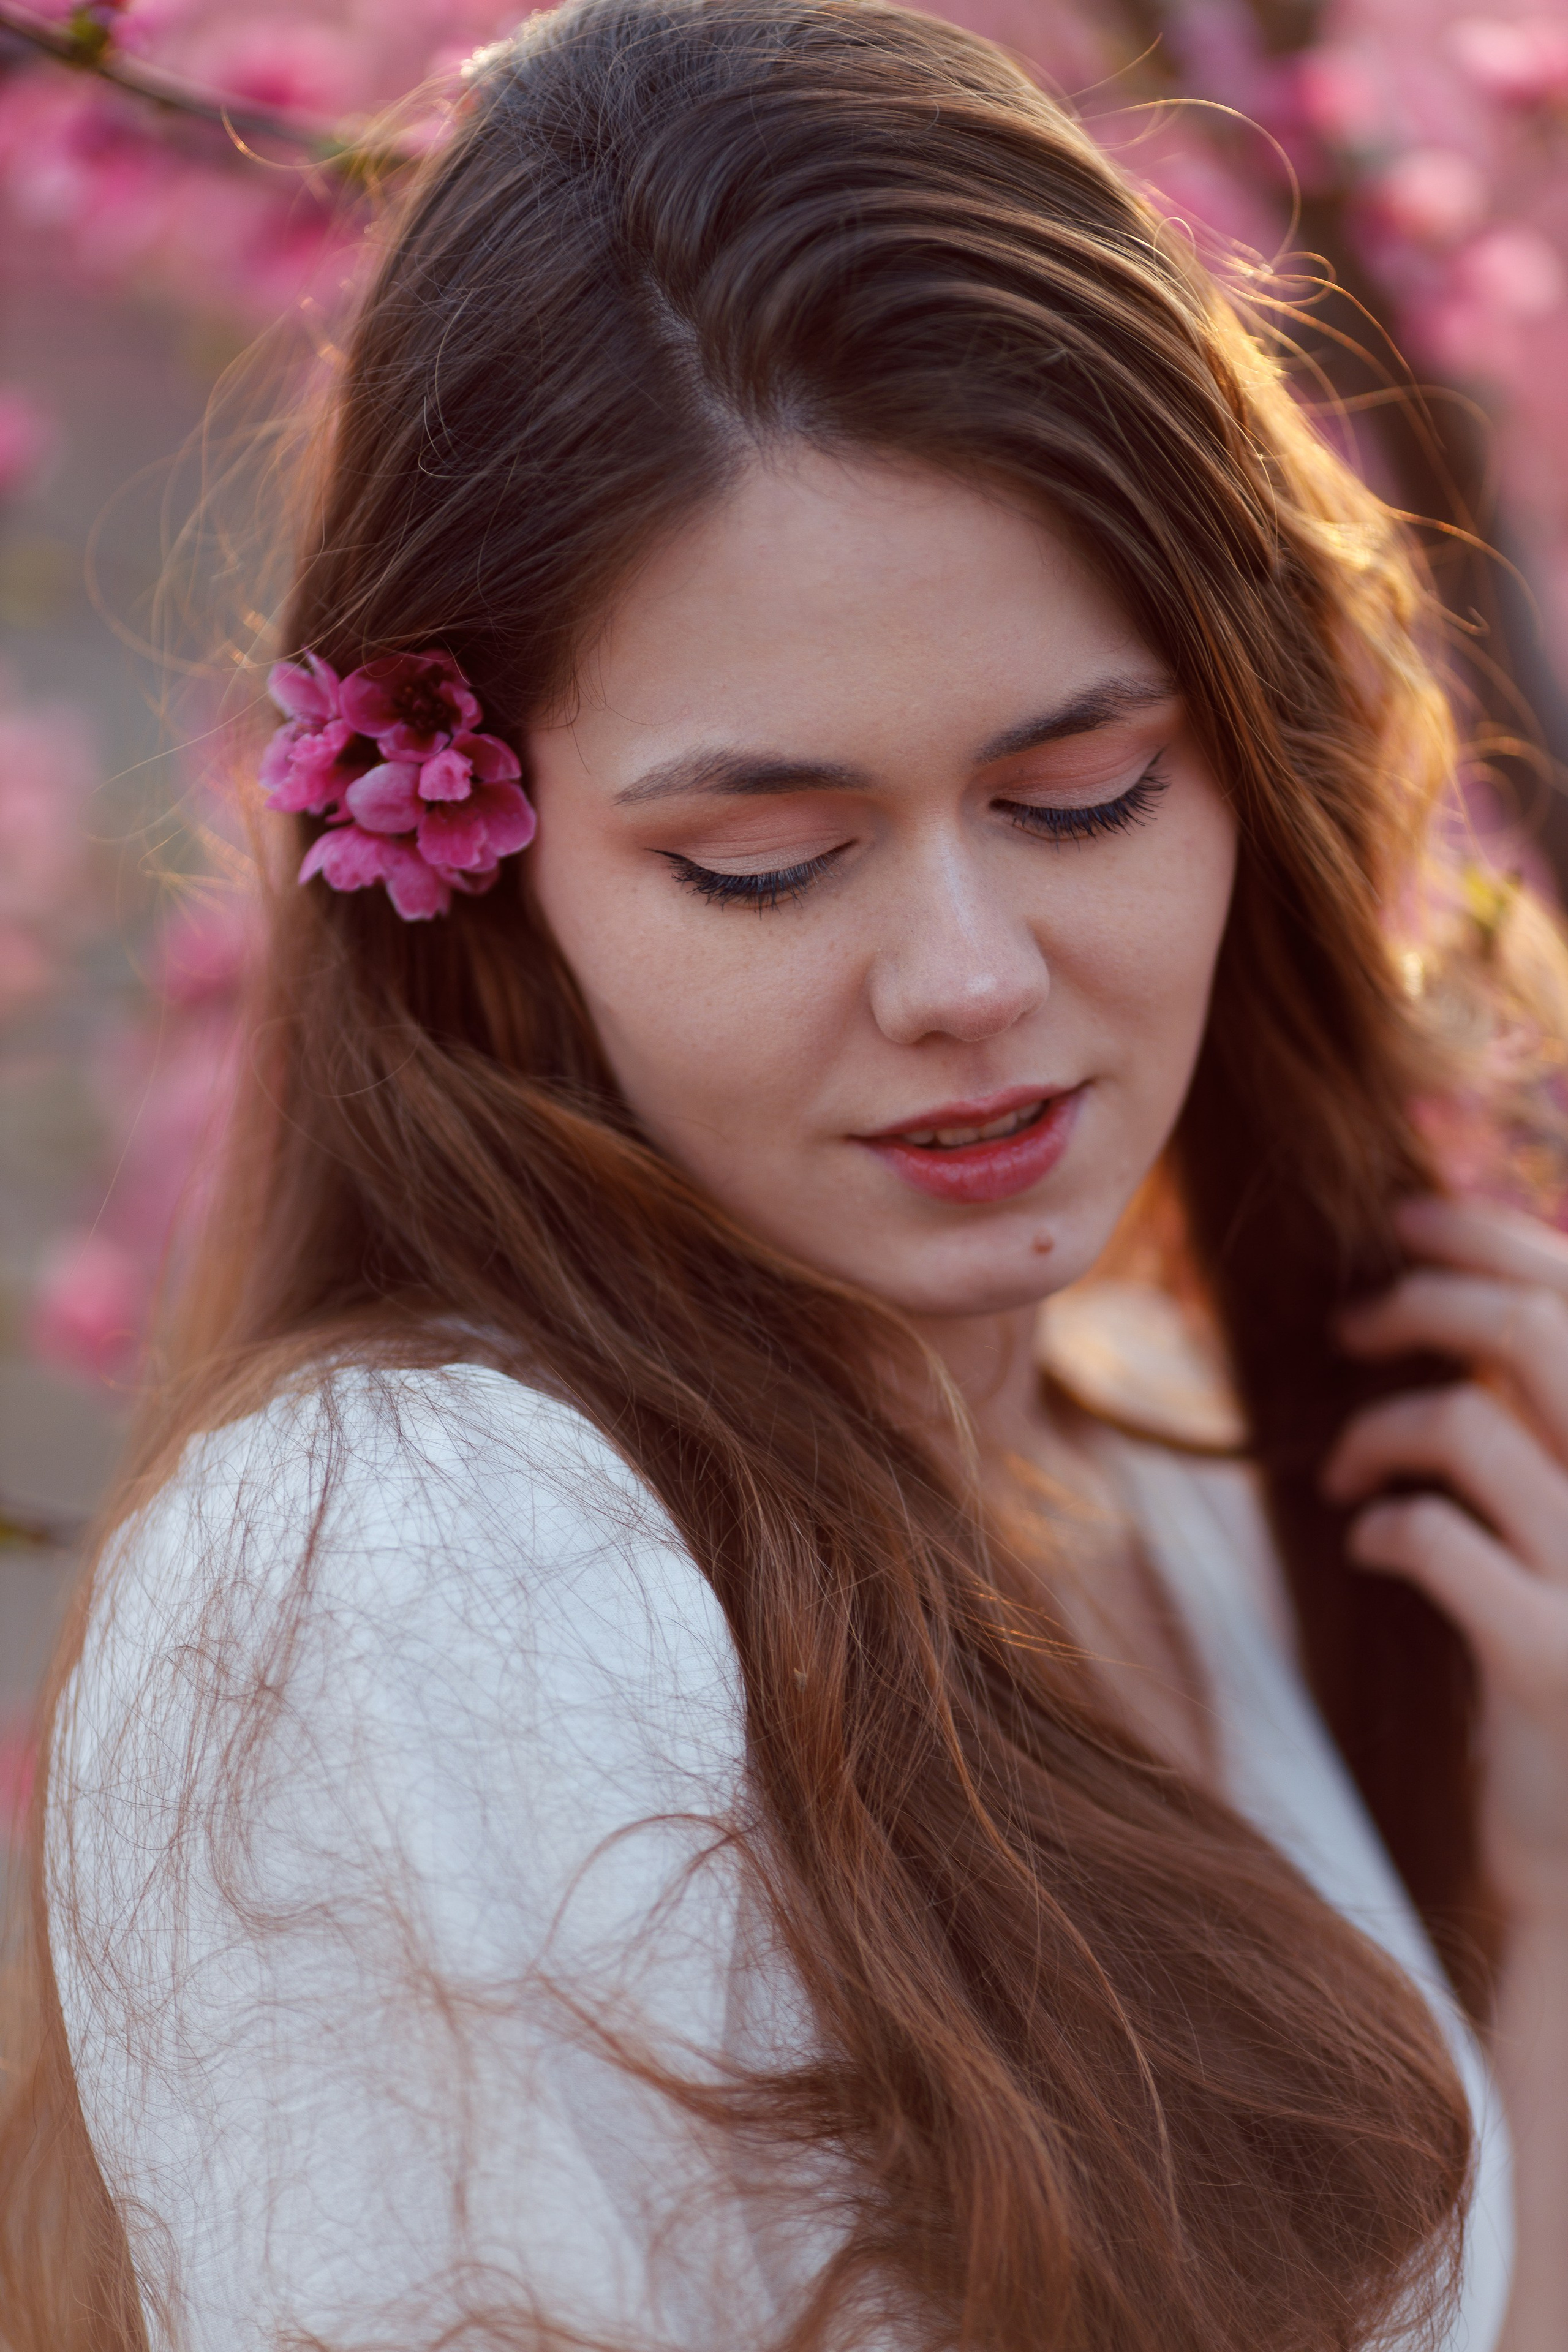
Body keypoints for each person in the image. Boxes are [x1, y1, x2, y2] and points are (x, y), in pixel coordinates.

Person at [5, 0, 1568, 2344]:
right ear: (478, 856)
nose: (967, 975)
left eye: (1082, 796)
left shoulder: (1188, 1495)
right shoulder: (430, 1565)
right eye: (766, 858)